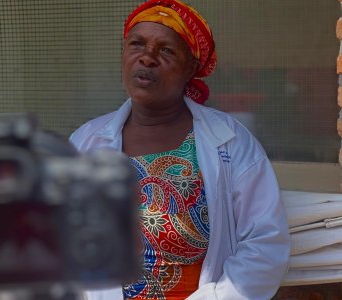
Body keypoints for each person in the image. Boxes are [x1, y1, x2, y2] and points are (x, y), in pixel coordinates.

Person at [70, 0, 291, 299]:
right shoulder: (85, 142)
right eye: (137, 44)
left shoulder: (230, 140)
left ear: (190, 68)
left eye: (166, 50)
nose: (147, 58)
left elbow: (265, 242)